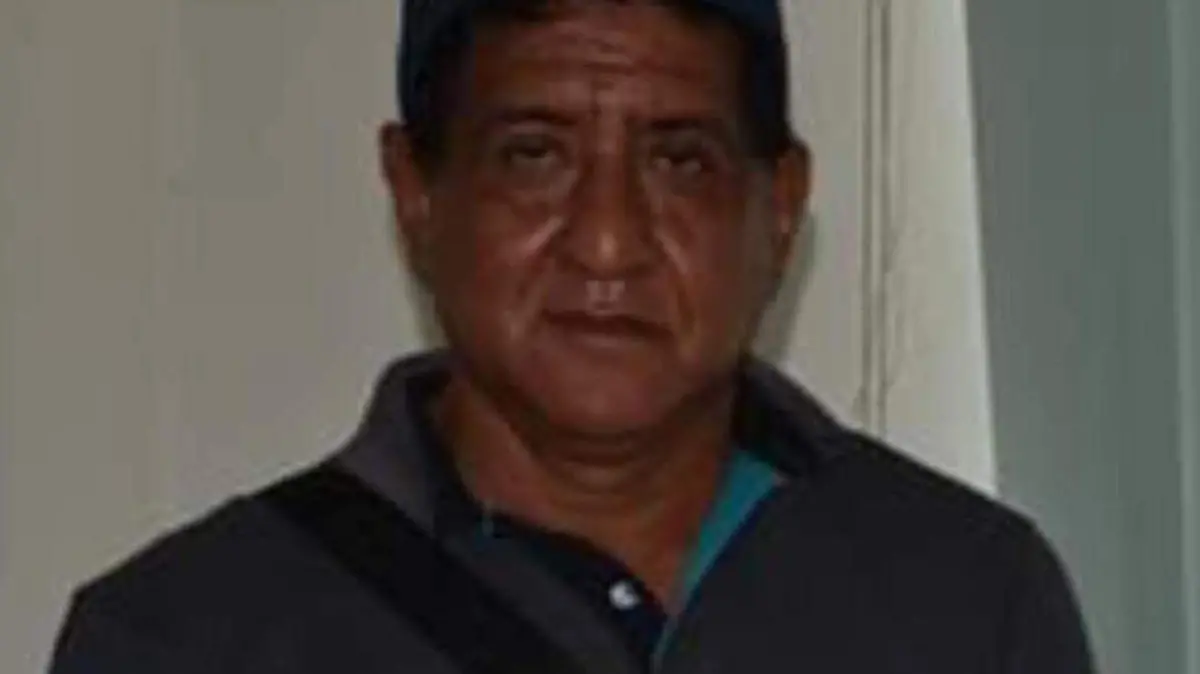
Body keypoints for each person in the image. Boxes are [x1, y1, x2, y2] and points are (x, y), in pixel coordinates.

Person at [49, 1, 1095, 672]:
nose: (607, 239)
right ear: (416, 194)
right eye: (534, 155)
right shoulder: (188, 638)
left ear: (779, 210)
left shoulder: (965, 599)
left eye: (678, 160)